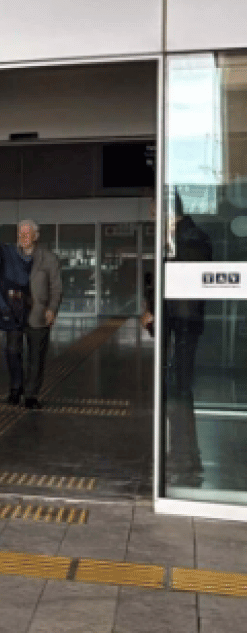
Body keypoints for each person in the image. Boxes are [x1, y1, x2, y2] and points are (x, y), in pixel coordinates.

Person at [143, 194, 211, 485]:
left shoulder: (192, 240)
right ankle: (181, 454)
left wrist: (157, 316)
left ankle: (185, 459)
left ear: (170, 213)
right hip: (176, 325)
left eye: (154, 209)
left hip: (183, 326)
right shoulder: (175, 239)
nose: (150, 215)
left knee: (178, 392)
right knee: (174, 391)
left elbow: (183, 287)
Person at [0, 220, 63, 408]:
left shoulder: (48, 258)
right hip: (14, 313)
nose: (23, 237)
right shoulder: (9, 258)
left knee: (36, 357)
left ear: (36, 236)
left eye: (27, 234)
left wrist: (52, 308)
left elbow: (56, 287)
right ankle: (15, 388)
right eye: (20, 233)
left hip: (38, 313)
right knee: (12, 352)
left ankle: (31, 395)